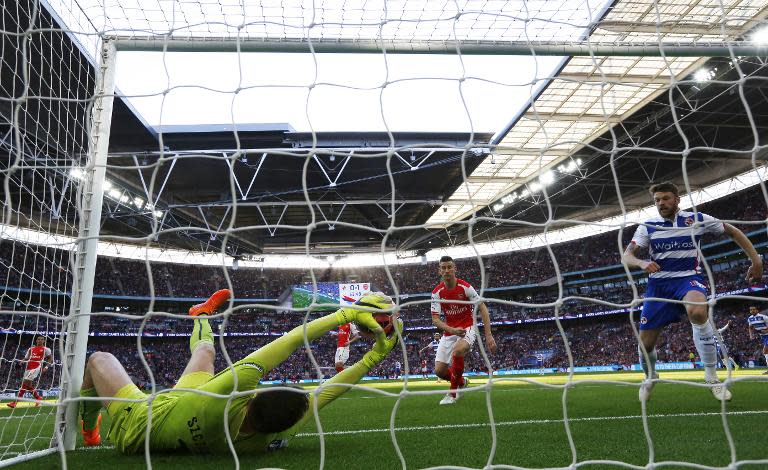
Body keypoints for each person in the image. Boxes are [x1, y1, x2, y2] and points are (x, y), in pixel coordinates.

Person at [78, 289, 401, 453]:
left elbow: (289, 341)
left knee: (99, 358)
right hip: (187, 403)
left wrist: (345, 314)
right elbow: (331, 390)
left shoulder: (225, 395)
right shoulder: (276, 433)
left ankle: (89, 428)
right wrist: (374, 357)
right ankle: (200, 314)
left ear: (250, 397)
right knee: (204, 350)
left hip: (140, 424)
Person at [623, 181, 763, 402]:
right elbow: (627, 256)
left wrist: (755, 260)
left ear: (677, 199)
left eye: (666, 198)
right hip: (658, 286)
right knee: (645, 343)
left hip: (688, 279)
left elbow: (733, 232)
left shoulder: (696, 219)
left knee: (698, 312)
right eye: (657, 200)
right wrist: (640, 263)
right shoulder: (647, 226)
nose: (661, 203)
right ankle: (650, 376)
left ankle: (711, 377)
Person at [430, 255, 497, 405]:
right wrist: (452, 330)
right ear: (439, 271)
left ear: (455, 269)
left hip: (468, 328)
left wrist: (489, 335)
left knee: (458, 350)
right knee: (439, 371)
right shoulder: (437, 292)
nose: (447, 270)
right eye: (443, 268)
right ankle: (461, 382)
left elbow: (482, 308)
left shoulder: (465, 287)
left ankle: (453, 394)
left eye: (449, 267)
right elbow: (435, 319)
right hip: (450, 332)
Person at [7, 335, 52, 408]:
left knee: (24, 384)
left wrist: (46, 367)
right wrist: (21, 362)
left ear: (44, 341)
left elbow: (50, 359)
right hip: (28, 368)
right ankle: (38, 398)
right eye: (38, 339)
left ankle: (15, 402)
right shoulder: (31, 349)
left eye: (42, 339)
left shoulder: (46, 349)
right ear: (36, 340)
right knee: (28, 386)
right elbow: (26, 358)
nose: (40, 340)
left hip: (36, 368)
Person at [747, 305, 768, 374]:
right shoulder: (750, 318)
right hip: (764, 337)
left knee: (765, 351)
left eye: (753, 309)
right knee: (765, 352)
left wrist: (766, 330)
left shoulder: (763, 317)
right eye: (751, 310)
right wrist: (751, 335)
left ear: (757, 310)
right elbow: (750, 327)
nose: (752, 311)